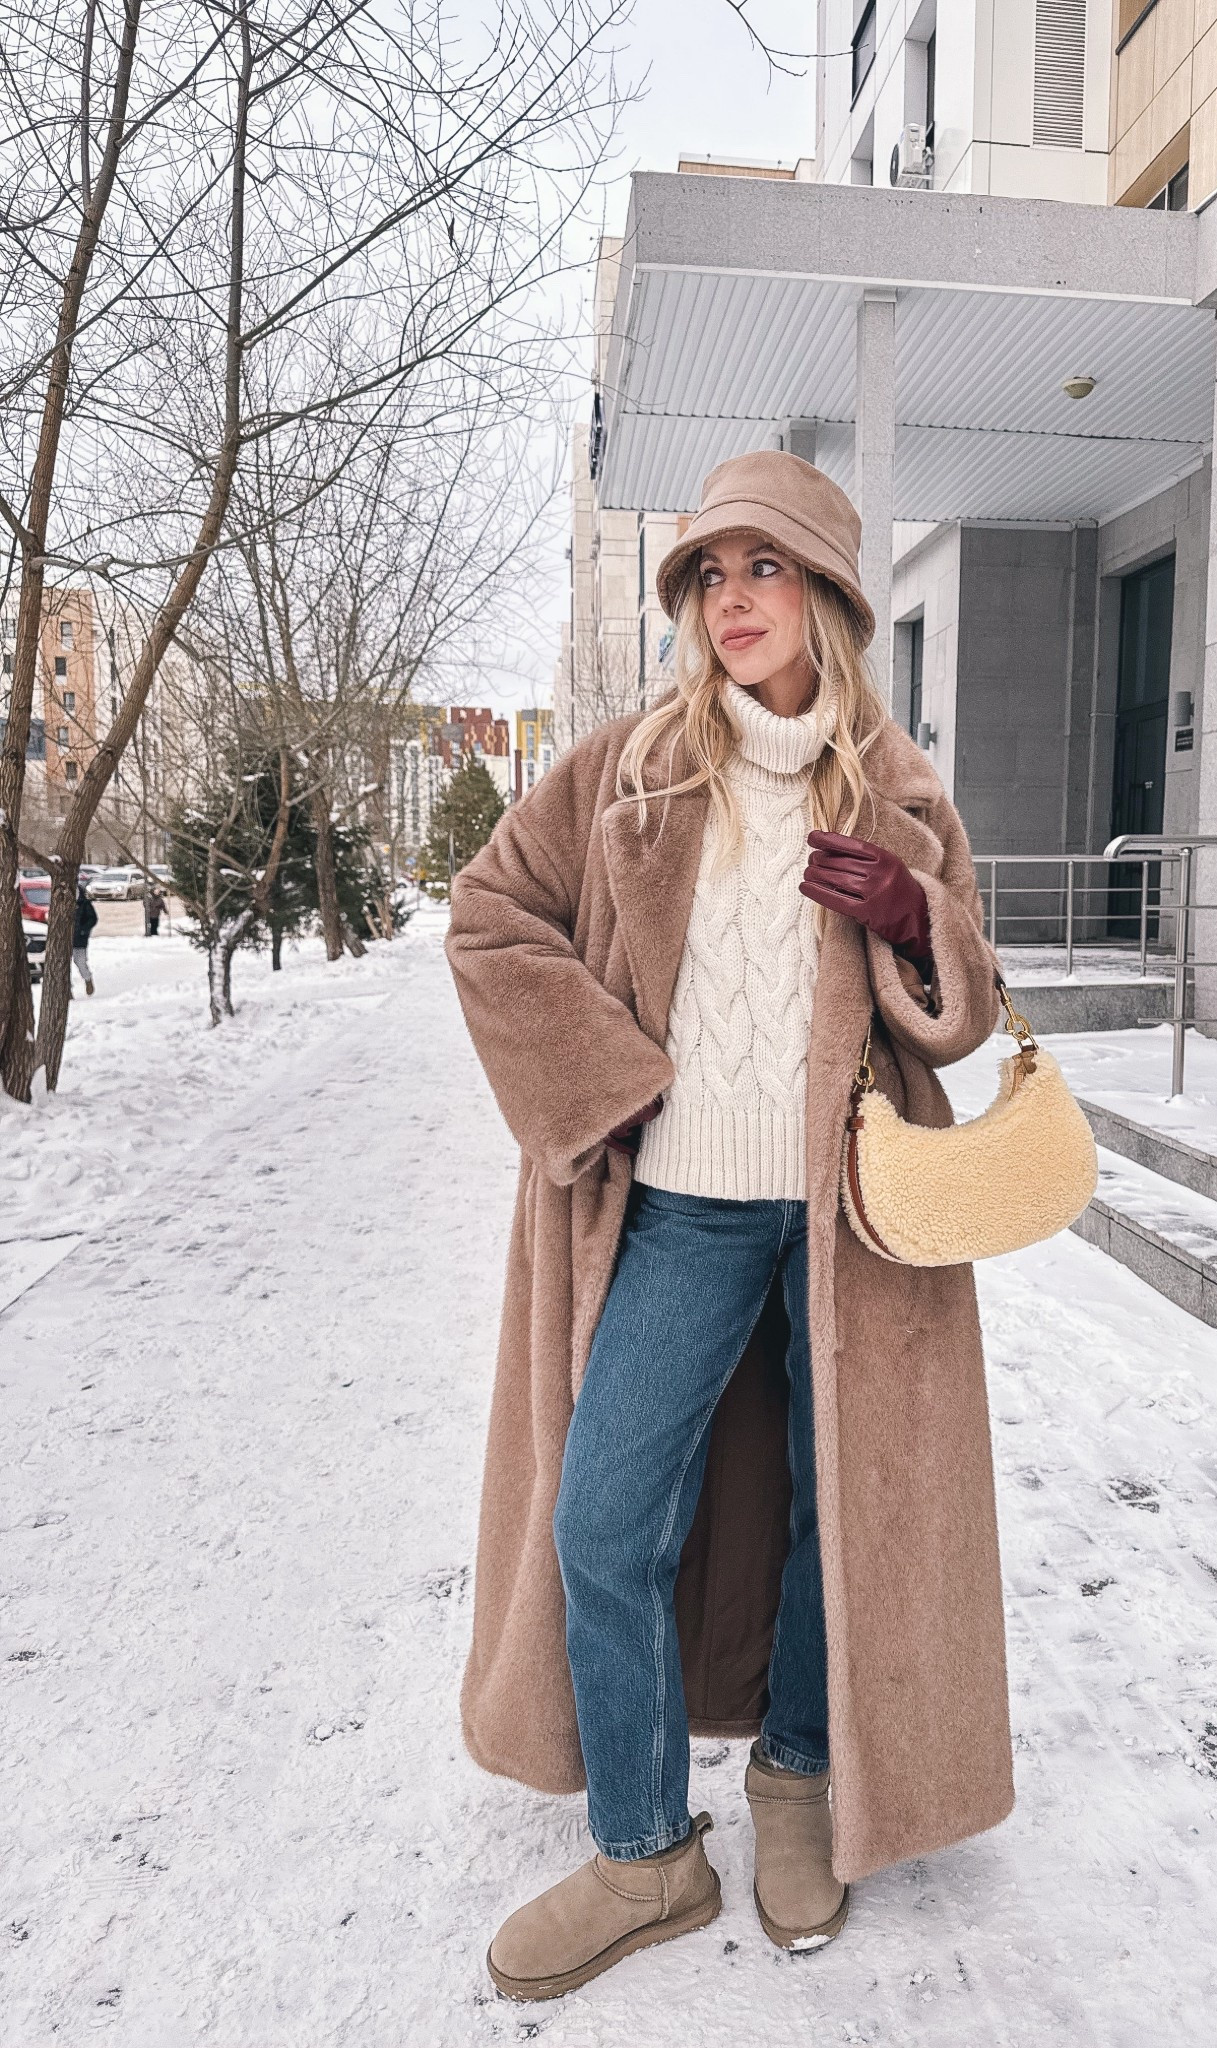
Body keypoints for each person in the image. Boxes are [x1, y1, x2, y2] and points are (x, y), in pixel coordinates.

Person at [446, 452, 1012, 2004]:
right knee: (603, 1525)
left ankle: (796, 1781)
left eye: (764, 570)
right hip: (682, 1210)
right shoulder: (630, 770)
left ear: (829, 593)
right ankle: (645, 1853)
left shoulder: (899, 790)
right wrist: (606, 1081)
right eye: (711, 575)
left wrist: (915, 921)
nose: (734, 599)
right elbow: (489, 918)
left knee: (851, 1513)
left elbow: (971, 1010)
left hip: (856, 1214)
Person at [72, 879, 98, 995]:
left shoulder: (84, 903)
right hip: (65, 940)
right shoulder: (62, 902)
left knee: (80, 961)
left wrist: (83, 930)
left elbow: (92, 919)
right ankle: (67, 989)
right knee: (62, 964)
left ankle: (88, 979)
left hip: (80, 939)